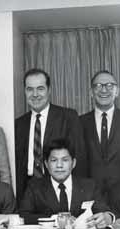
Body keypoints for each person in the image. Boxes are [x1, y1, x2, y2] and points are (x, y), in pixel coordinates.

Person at [15, 68, 86, 204]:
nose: (35, 94)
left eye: (40, 88)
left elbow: (80, 158)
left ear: (49, 90)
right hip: (27, 190)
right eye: (30, 89)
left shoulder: (68, 117)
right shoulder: (18, 124)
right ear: (25, 91)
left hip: (59, 188)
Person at [19, 138, 113, 228]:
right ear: (46, 164)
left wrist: (108, 218)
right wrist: (56, 219)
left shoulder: (89, 186)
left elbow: (105, 212)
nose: (59, 165)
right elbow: (24, 216)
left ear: (73, 163)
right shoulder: (35, 187)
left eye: (65, 160)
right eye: (54, 160)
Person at [80, 70, 120, 200]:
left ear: (117, 91)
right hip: (90, 196)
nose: (104, 90)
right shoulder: (80, 122)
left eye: (109, 85)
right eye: (98, 86)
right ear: (91, 92)